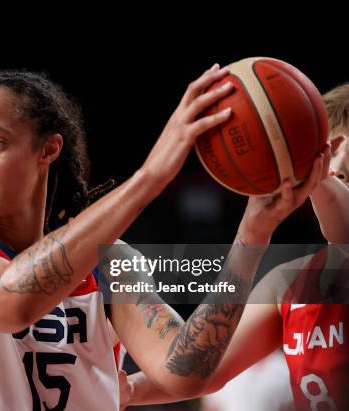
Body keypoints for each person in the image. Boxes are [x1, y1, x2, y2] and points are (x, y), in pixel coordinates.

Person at [0, 17, 326, 410]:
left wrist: (255, 229)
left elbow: (185, 372)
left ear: (48, 149)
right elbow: (8, 302)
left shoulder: (110, 264)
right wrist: (150, 178)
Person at [120, 83, 349, 411]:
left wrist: (316, 169)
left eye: (336, 154)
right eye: (327, 152)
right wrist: (131, 390)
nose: (333, 165)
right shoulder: (288, 283)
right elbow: (203, 369)